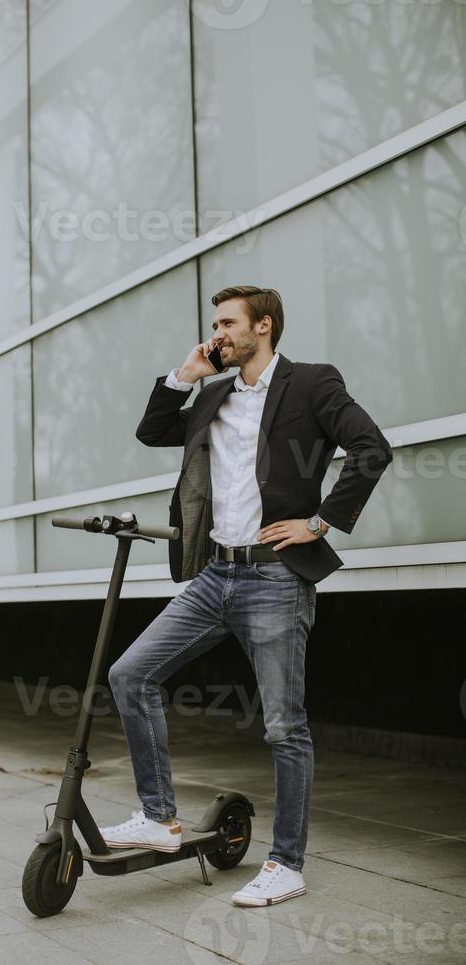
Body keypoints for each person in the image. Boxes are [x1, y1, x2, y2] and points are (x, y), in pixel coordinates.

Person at [99, 285, 393, 907]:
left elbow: (372, 448)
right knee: (130, 674)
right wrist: (185, 374)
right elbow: (154, 432)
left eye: (228, 322)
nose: (218, 332)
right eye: (215, 323)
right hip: (214, 575)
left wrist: (319, 523)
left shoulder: (312, 383)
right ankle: (158, 817)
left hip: (275, 578)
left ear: (263, 326)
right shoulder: (211, 395)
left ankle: (286, 863)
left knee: (285, 727)